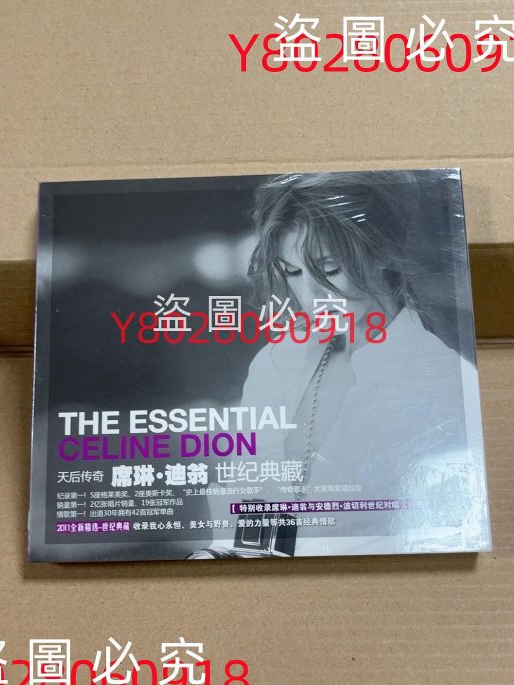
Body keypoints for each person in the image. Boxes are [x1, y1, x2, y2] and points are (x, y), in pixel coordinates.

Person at [187, 171, 485, 559]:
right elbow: (246, 517)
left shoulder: (445, 384)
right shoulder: (277, 363)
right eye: (292, 272)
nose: (311, 297)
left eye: (329, 270)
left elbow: (442, 538)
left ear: (382, 251)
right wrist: (218, 559)